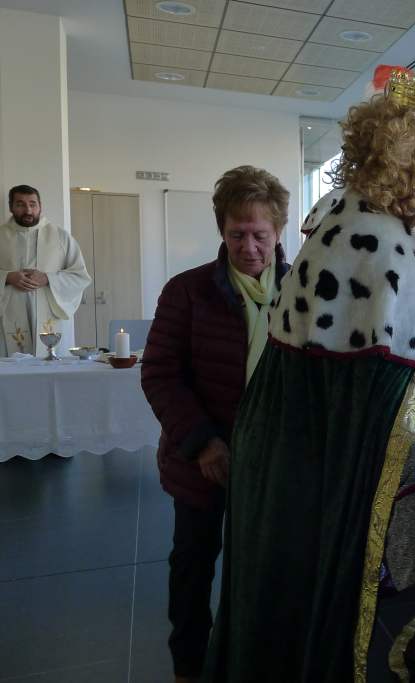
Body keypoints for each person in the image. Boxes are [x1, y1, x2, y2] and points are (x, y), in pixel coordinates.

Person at [203, 69, 415, 682]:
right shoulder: (378, 247)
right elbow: (404, 429)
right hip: (316, 493)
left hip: (290, 479)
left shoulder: (354, 223)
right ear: (402, 149)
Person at [141, 165, 291, 683]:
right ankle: (188, 666)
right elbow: (160, 374)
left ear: (279, 231)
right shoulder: (187, 291)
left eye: (260, 235)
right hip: (202, 460)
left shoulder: (303, 291)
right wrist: (204, 443)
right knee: (193, 564)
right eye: (236, 234)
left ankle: (253, 658)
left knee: (265, 569)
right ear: (221, 230)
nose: (248, 248)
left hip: (274, 462)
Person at [0, 185, 91, 356]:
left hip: (48, 315)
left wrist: (48, 279)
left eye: (32, 204)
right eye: (20, 204)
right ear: (11, 207)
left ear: (40, 206)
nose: (28, 210)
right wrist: (7, 277)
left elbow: (80, 276)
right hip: (7, 315)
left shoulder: (61, 237)